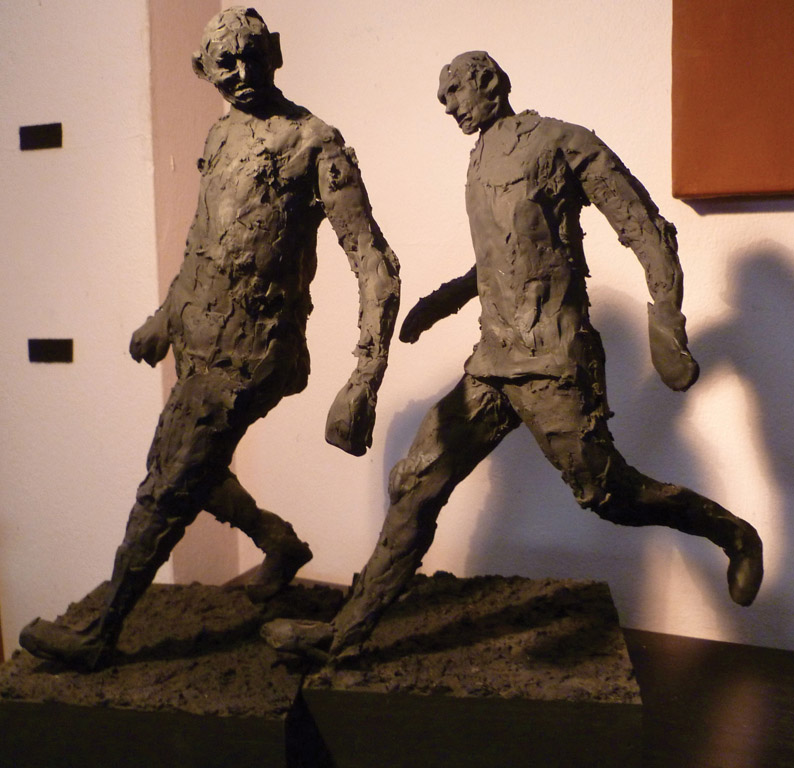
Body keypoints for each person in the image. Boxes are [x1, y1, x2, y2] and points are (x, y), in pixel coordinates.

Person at [263, 50, 763, 659]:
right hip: (492, 363)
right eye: (441, 97)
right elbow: (504, 257)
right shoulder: (478, 160)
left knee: (611, 496)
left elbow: (646, 230)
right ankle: (343, 637)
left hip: (553, 361)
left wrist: (666, 321)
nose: (447, 105)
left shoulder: (562, 143)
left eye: (454, 90)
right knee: (415, 482)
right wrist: (444, 301)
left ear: (490, 82)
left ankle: (733, 534)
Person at [19, 7, 400, 671]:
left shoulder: (314, 142)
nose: (242, 71)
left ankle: (100, 632)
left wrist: (364, 378)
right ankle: (278, 542)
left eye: (253, 55)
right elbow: (204, 240)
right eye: (226, 61)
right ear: (202, 70)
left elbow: (375, 263)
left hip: (252, 355)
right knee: (187, 465)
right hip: (200, 342)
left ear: (275, 52)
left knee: (168, 483)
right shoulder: (222, 134)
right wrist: (166, 315)